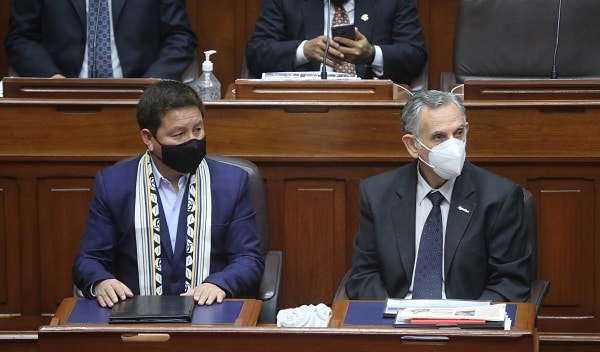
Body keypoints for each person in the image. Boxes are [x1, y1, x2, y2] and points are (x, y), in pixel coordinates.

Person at [72, 80, 264, 307]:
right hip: (136, 313)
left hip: (210, 312)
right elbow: (89, 259)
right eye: (179, 134)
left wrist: (219, 284)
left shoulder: (232, 182)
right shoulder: (114, 184)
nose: (192, 141)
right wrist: (101, 281)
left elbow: (248, 258)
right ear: (148, 138)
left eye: (198, 130)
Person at [345, 90, 531, 301]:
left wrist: (466, 318)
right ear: (412, 145)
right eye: (439, 137)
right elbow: (364, 276)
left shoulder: (499, 197)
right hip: (396, 315)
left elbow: (511, 283)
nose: (453, 146)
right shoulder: (377, 194)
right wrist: (390, 315)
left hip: (466, 317)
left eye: (458, 133)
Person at [245, 0, 427, 85]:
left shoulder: (393, 2)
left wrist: (371, 55)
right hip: (302, 104)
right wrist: (303, 51)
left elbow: (415, 55)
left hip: (372, 104)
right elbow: (256, 53)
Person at [4, 0, 198, 80]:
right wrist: (52, 79)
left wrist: (151, 83)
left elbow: (180, 37)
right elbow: (20, 37)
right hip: (59, 97)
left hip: (141, 99)